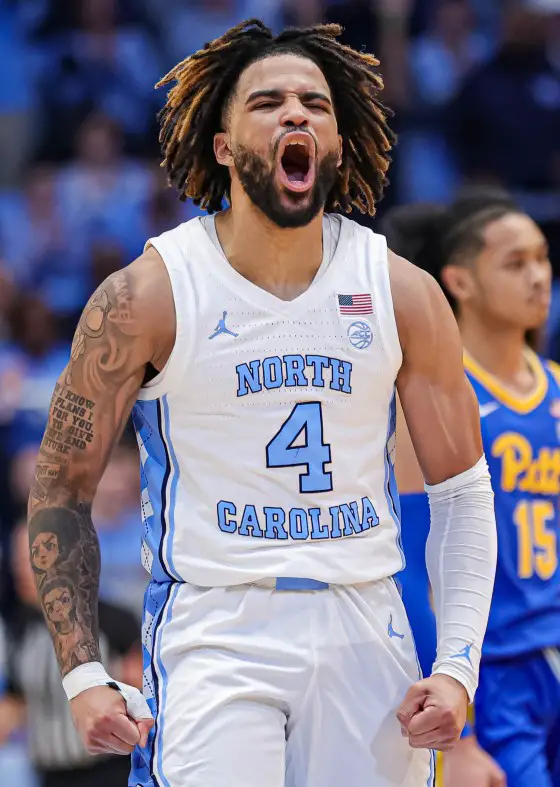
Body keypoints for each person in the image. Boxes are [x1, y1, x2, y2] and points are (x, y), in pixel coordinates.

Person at [27, 20, 497, 787]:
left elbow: (462, 492)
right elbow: (60, 489)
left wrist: (457, 666)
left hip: (365, 619)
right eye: (268, 102)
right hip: (216, 625)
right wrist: (82, 671)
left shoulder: (402, 291)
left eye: (315, 103)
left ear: (337, 141)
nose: (295, 113)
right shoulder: (148, 295)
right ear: (222, 144)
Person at [383, 195, 560, 787]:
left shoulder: (556, 388)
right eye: (516, 263)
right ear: (459, 281)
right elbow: (412, 563)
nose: (539, 276)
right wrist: (460, 736)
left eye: (543, 258)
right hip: (491, 674)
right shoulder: (431, 392)